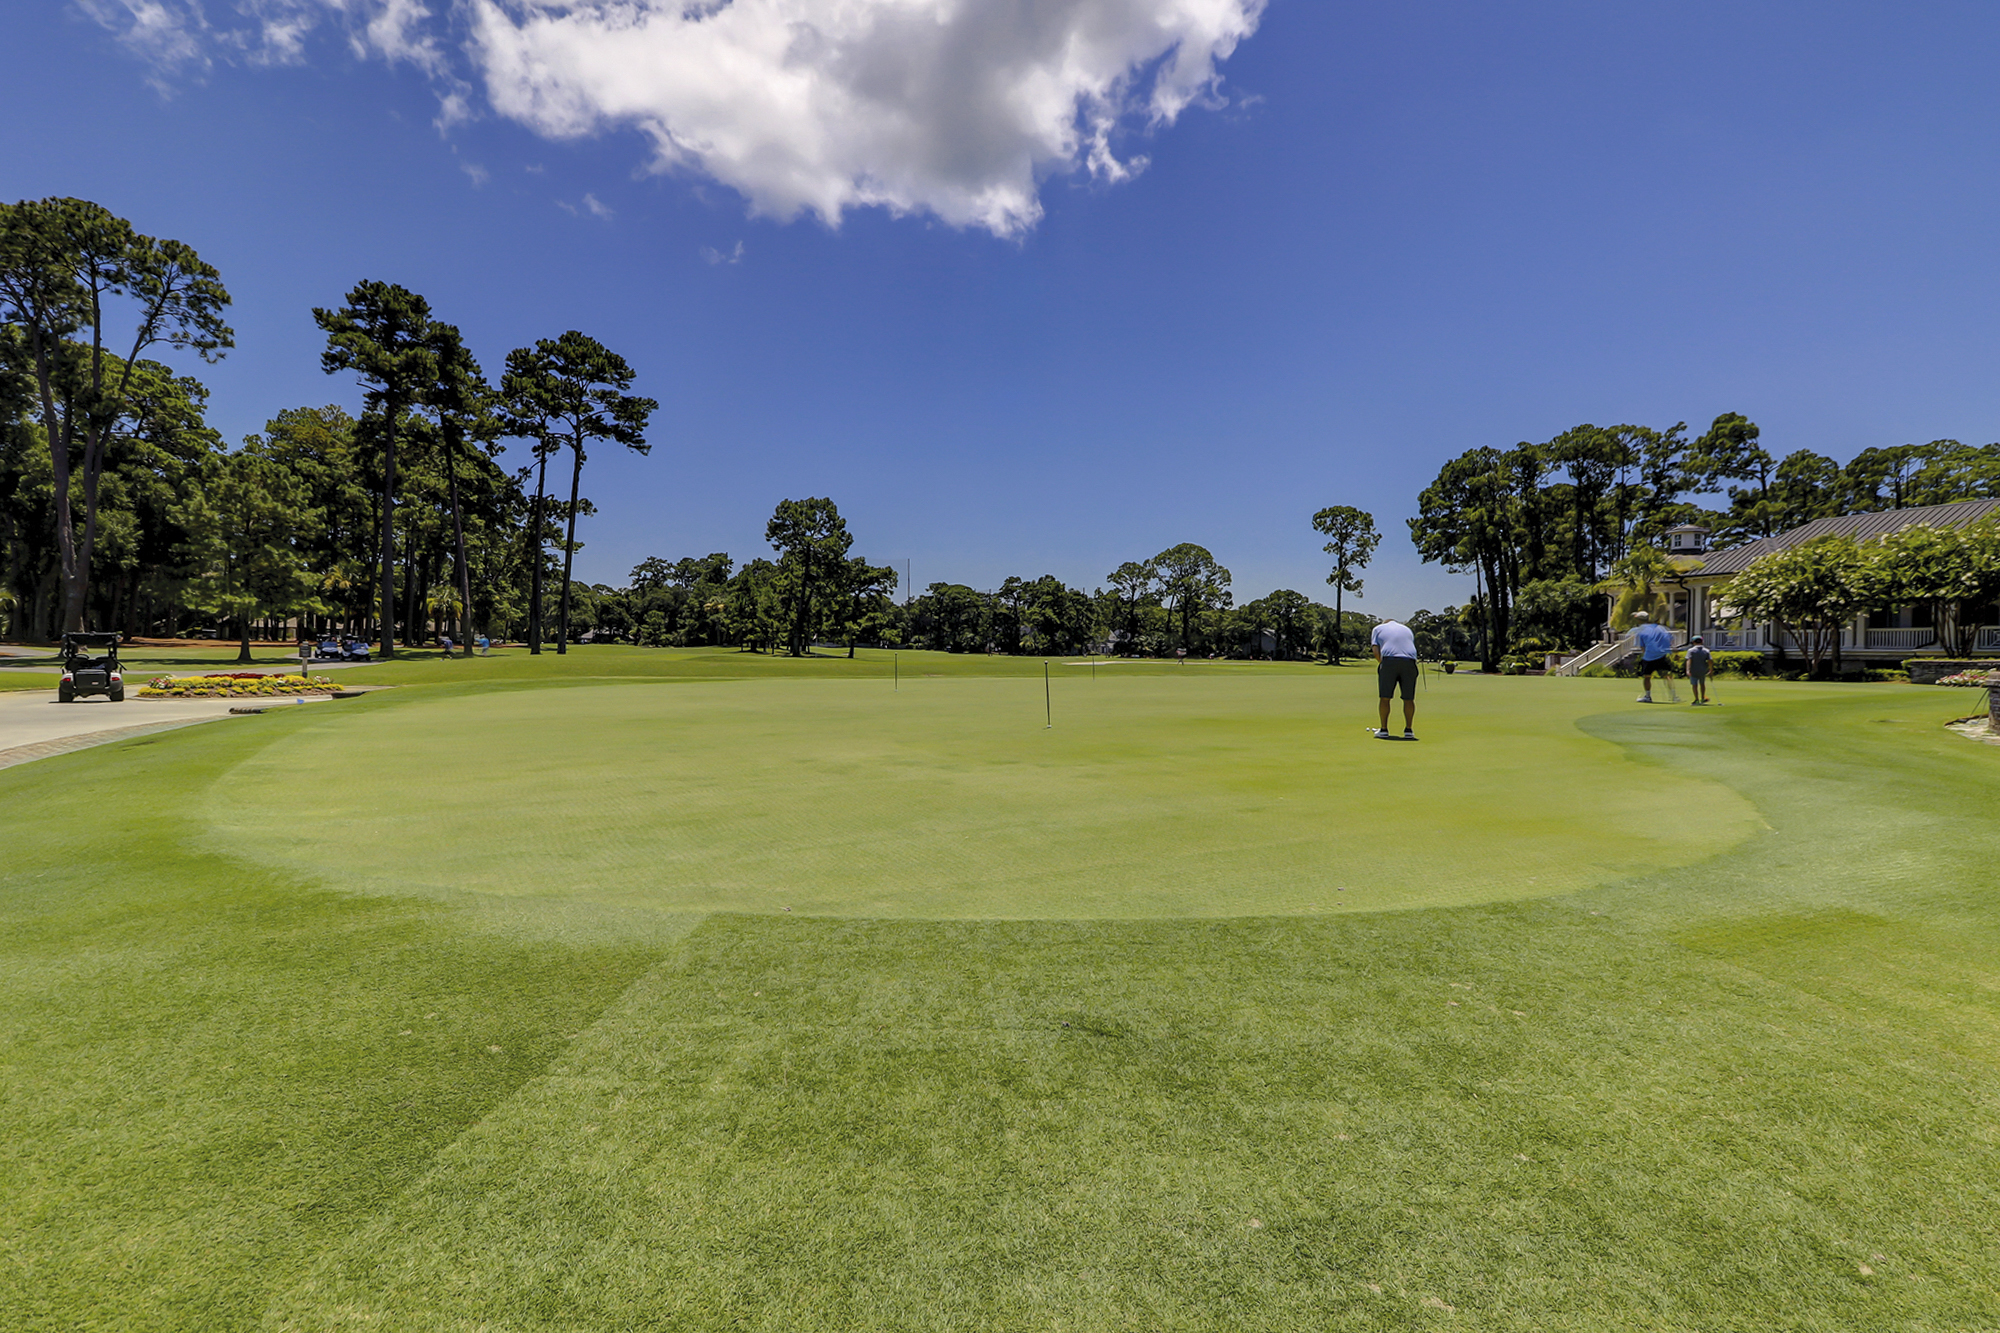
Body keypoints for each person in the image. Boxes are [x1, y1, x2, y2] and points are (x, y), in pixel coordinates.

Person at [1371, 616, 1419, 740]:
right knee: (1409, 698)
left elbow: (1376, 650)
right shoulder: (1407, 629)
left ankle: (1384, 730)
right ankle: (1409, 731)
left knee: (1385, 698)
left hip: (1389, 659)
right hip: (1410, 661)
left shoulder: (1378, 629)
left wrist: (1383, 665)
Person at [1632, 611, 1675, 702]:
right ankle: (1674, 696)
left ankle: (1648, 696)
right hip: (1662, 655)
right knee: (1667, 675)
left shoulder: (1640, 630)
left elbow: (1642, 647)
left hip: (1649, 657)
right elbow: (1670, 639)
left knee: (1647, 677)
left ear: (1639, 620)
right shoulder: (1660, 628)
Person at [1685, 635, 1712, 705]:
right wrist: (1711, 669)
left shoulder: (1691, 650)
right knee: (1702, 684)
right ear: (1702, 641)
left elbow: (1689, 660)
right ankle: (1702, 697)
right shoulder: (1706, 650)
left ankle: (1696, 699)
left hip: (1693, 670)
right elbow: (1710, 660)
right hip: (1703, 670)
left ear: (1693, 642)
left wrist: (1688, 670)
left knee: (1694, 685)